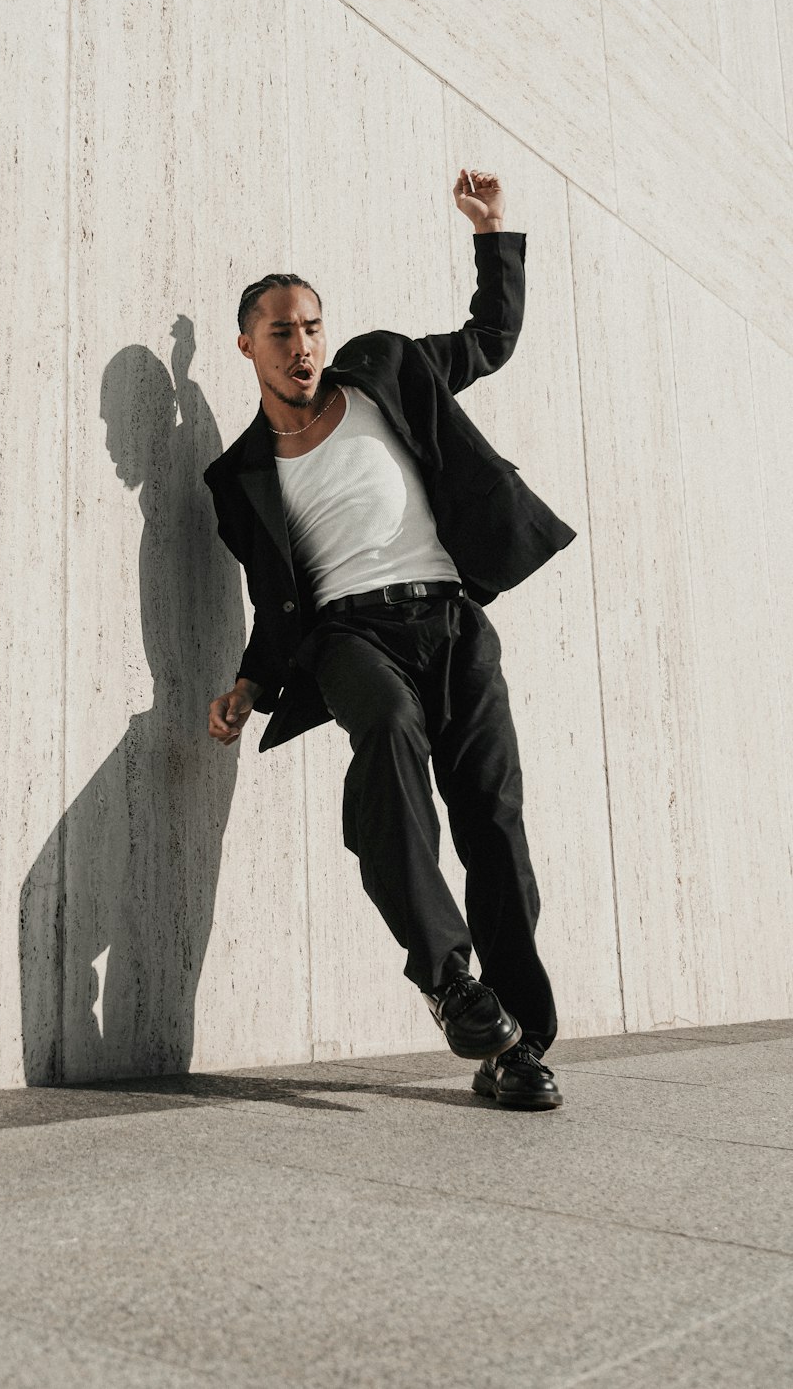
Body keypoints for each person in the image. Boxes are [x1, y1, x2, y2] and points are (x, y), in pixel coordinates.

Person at [203, 170, 576, 1111]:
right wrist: (250, 683)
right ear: (246, 344)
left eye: (312, 326)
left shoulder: (387, 372)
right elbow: (274, 599)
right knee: (390, 744)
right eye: (281, 331)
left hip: (452, 618)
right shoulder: (241, 474)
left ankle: (517, 1046)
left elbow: (490, 340)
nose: (303, 345)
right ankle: (449, 981)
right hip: (349, 637)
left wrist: (494, 233)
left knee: (494, 824)